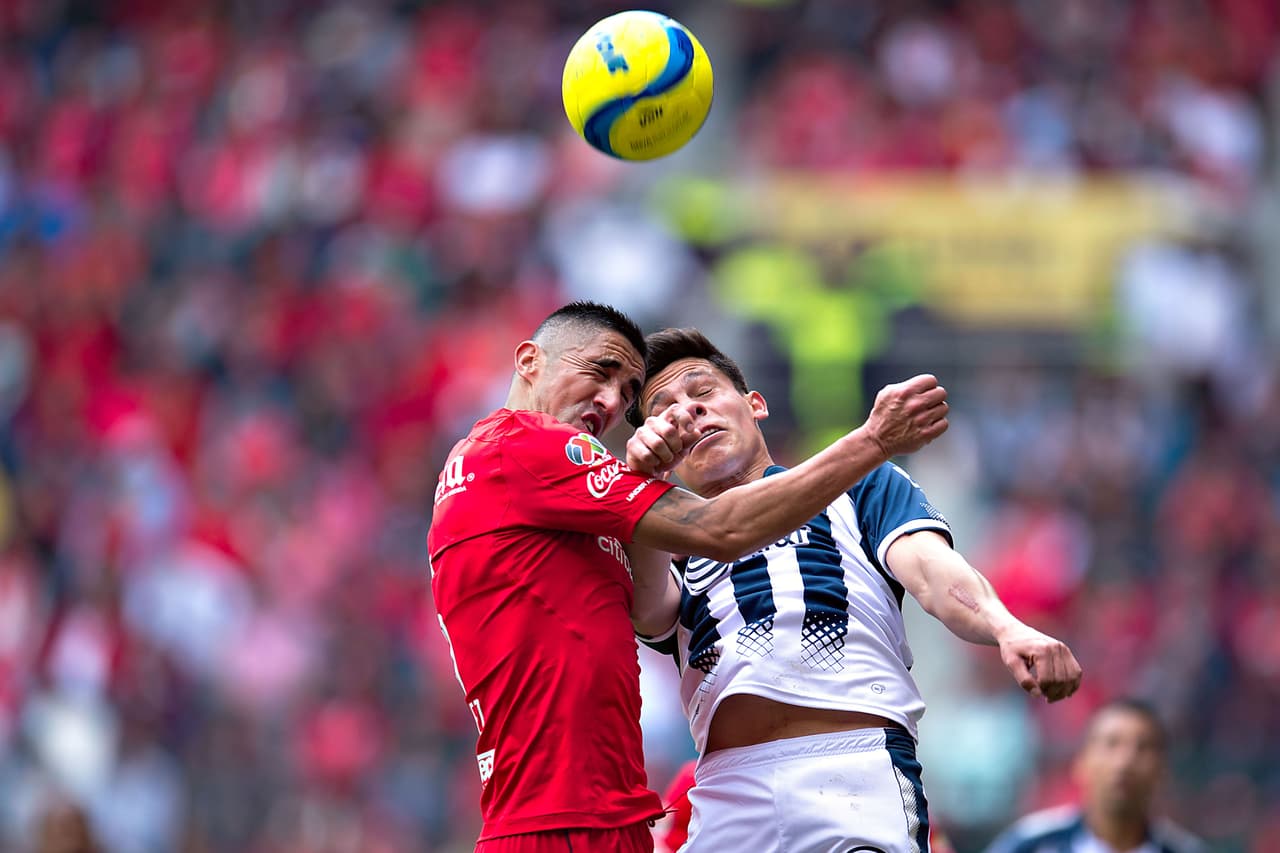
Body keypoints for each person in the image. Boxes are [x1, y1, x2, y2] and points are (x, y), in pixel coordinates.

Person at [427, 302, 950, 852]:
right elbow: (719, 530)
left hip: (604, 809)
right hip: (563, 821)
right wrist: (872, 442)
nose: (610, 403)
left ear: (755, 405)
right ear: (530, 360)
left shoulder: (536, 488)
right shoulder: (529, 446)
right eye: (601, 372)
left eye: (627, 393)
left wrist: (642, 476)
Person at [624, 327, 1083, 853]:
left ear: (756, 404)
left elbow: (933, 571)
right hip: (727, 792)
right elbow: (649, 611)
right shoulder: (662, 539)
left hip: (853, 771)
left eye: (703, 391)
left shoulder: (863, 486)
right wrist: (641, 488)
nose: (688, 412)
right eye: (664, 408)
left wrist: (1006, 627)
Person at [983, 698, 1207, 853]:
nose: (1124, 762)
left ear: (1162, 770)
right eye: (1111, 744)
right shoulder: (1030, 844)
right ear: (1081, 763)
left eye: (1143, 748)